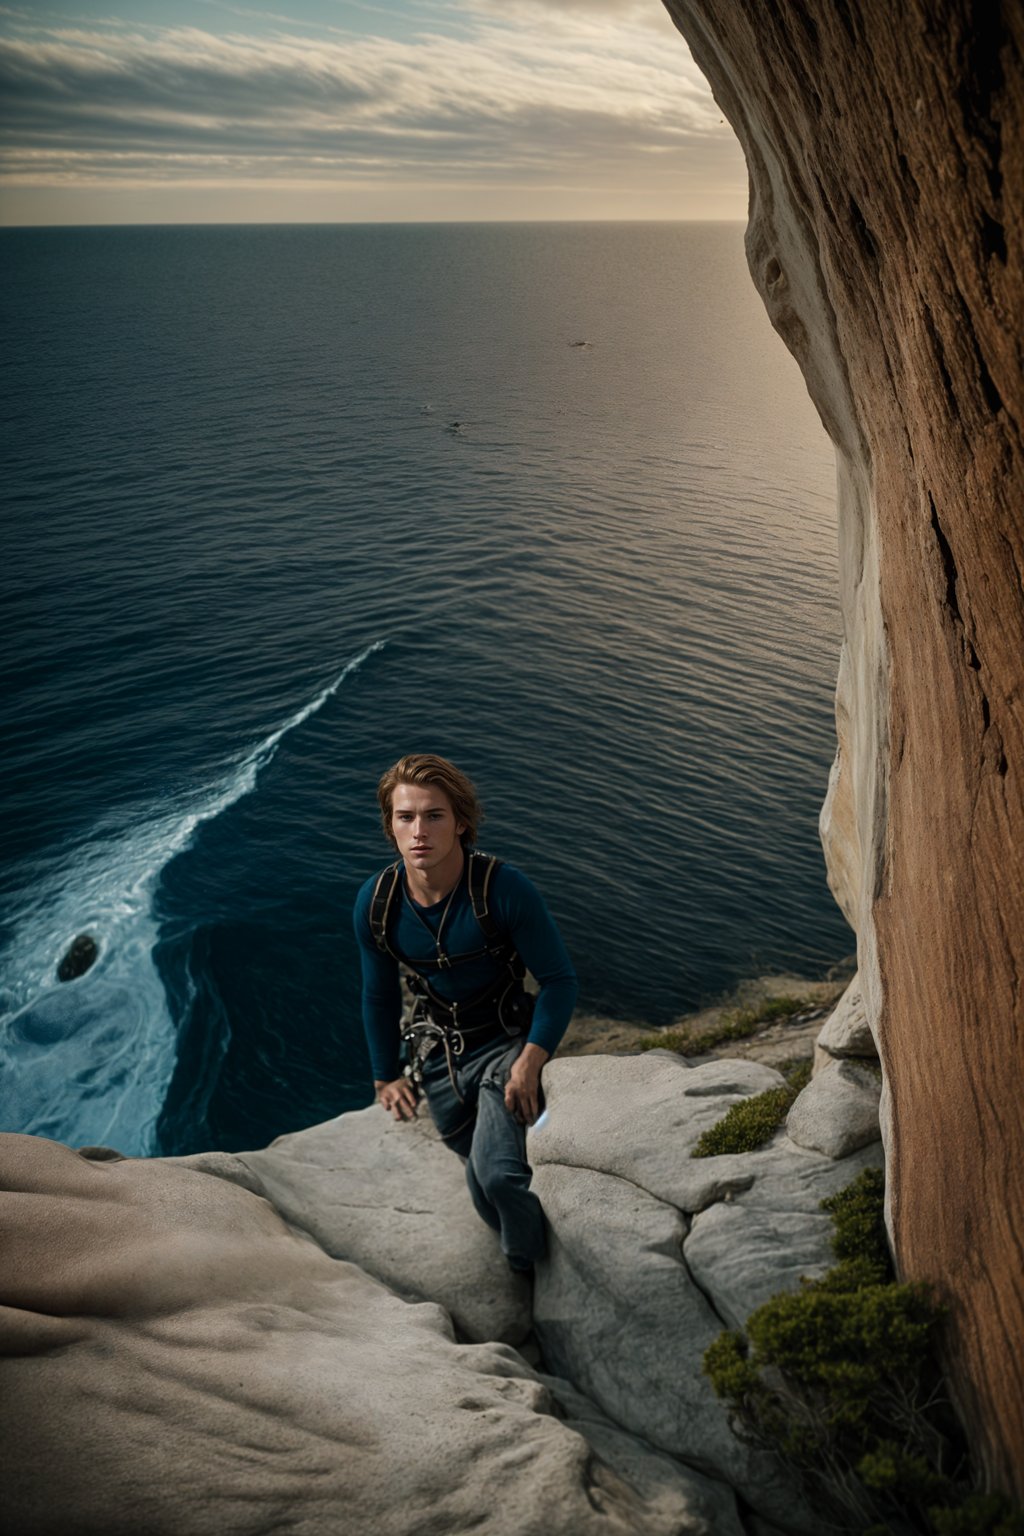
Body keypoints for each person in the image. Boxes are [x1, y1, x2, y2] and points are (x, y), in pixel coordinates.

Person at [353, 753, 578, 1274]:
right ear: (390, 825)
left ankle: (538, 1273)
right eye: (405, 817)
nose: (419, 832)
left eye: (434, 815)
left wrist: (531, 1059)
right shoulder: (377, 903)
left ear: (461, 822)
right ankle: (525, 1253)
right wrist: (384, 1074)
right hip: (440, 1060)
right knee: (479, 1182)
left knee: (498, 1176)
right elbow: (379, 996)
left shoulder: (502, 889)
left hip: (505, 1043)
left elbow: (561, 981)